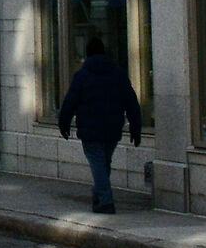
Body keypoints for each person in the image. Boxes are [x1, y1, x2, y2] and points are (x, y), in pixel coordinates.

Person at [56, 37, 142, 215]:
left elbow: (70, 102)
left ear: (87, 54)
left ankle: (105, 200)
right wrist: (136, 127)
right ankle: (98, 194)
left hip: (90, 128)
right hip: (112, 127)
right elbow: (131, 102)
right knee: (104, 163)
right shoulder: (118, 74)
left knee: (98, 164)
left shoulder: (82, 75)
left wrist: (63, 123)